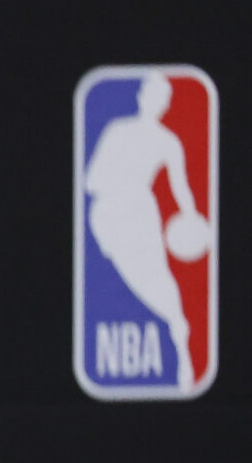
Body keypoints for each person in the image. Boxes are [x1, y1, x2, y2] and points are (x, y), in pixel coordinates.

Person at [85, 71, 209, 389]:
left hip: (141, 213)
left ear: (166, 105)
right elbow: (91, 180)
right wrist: (115, 186)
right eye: (151, 95)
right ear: (141, 97)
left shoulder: (168, 142)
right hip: (108, 215)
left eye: (162, 98)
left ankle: (181, 345)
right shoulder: (117, 130)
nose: (155, 102)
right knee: (121, 277)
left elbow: (181, 187)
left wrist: (192, 218)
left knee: (158, 279)